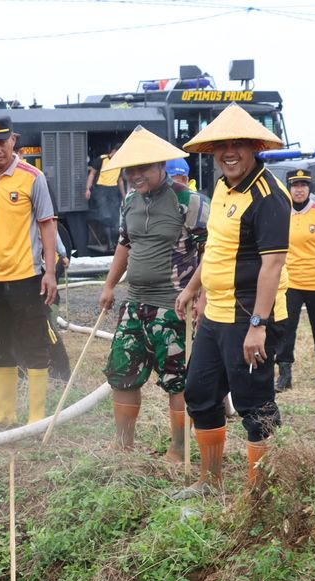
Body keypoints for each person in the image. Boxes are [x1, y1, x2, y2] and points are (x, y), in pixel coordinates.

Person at [175, 105, 290, 495]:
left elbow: (272, 266)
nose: (230, 153)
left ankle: (264, 490)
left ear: (255, 147)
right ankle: (211, 482)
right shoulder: (223, 186)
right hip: (217, 313)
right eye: (222, 146)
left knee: (254, 404)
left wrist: (258, 326)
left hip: (251, 314)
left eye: (238, 145)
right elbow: (218, 246)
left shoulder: (270, 196)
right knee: (200, 392)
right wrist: (194, 288)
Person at [95, 126, 205, 457]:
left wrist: (202, 295)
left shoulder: (189, 201)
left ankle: (179, 449)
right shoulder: (130, 201)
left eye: (143, 168)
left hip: (174, 307)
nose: (135, 175)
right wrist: (110, 284)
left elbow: (212, 252)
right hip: (134, 305)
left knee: (178, 380)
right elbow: (125, 244)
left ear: (161, 165)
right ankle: (123, 444)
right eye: (131, 169)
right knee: (122, 373)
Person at [0, 117, 60, 428]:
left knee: (33, 341)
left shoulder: (33, 178)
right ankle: (2, 412)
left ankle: (36, 415)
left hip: (27, 275)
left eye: (1, 143)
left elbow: (48, 224)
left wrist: (50, 272)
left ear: (13, 141)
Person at [276, 168, 315, 391]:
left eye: (303, 185)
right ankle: (285, 375)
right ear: (289, 188)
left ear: (309, 188)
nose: (299, 190)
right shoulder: (282, 211)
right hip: (290, 283)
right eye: (295, 185)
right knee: (285, 329)